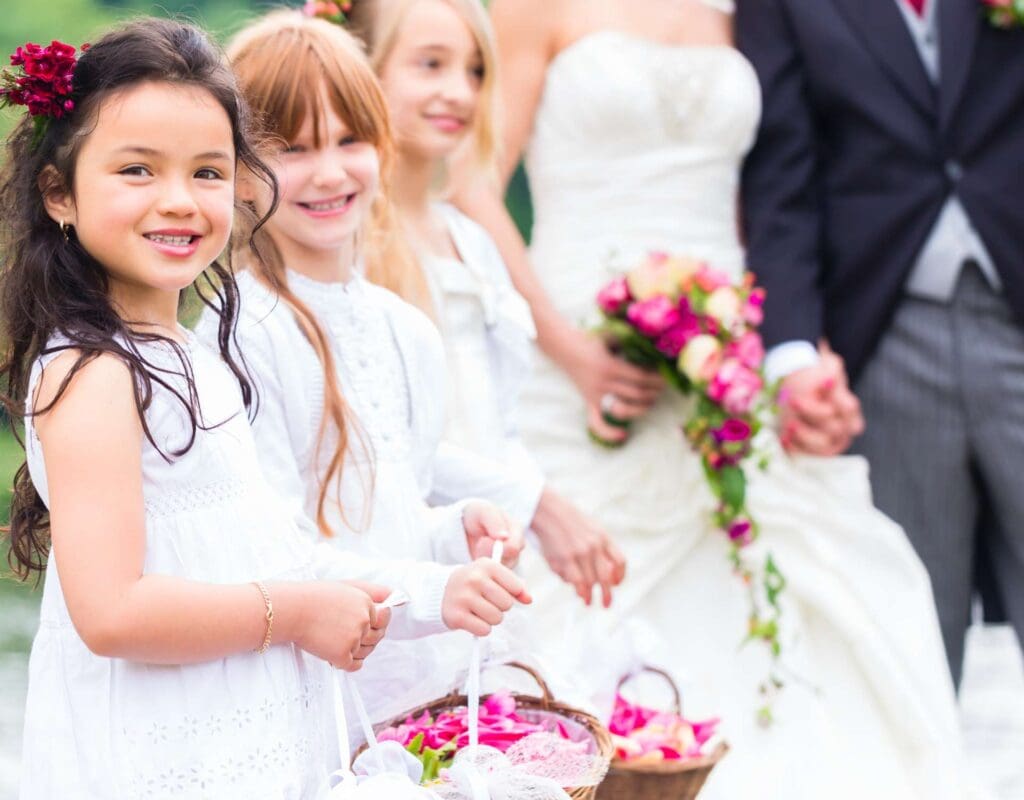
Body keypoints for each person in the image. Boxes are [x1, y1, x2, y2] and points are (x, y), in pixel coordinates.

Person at [453, 0, 978, 796]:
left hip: (730, 350)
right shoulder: (537, 6)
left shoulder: (751, 12)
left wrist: (793, 352)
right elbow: (473, 183)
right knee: (573, 600)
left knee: (802, 588)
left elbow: (775, 196)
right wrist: (571, 351)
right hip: (578, 346)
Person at [0, 20, 392, 797]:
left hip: (238, 736)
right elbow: (111, 613)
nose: (178, 201)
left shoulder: (194, 355)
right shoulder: (91, 370)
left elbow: (246, 548)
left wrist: (398, 596)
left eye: (208, 173)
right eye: (137, 170)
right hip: (159, 754)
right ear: (59, 194)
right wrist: (298, 612)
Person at [199, 10, 532, 733]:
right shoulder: (242, 332)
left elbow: (396, 509)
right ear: (239, 172)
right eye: (292, 149)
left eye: (349, 141)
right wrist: (434, 590)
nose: (328, 172)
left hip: (418, 691)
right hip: (314, 695)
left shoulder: (406, 329)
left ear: (383, 144)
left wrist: (453, 533)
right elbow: (272, 550)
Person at [736, 0, 1024, 688]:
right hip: (887, 337)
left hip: (1013, 301)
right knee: (915, 628)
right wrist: (795, 353)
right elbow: (781, 179)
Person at [346, 0, 627, 609]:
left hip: (502, 532)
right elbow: (388, 436)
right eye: (431, 65)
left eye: (475, 71)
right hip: (421, 552)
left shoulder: (469, 240)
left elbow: (502, 415)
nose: (459, 92)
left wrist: (533, 503)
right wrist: (536, 504)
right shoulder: (353, 242)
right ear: (364, 71)